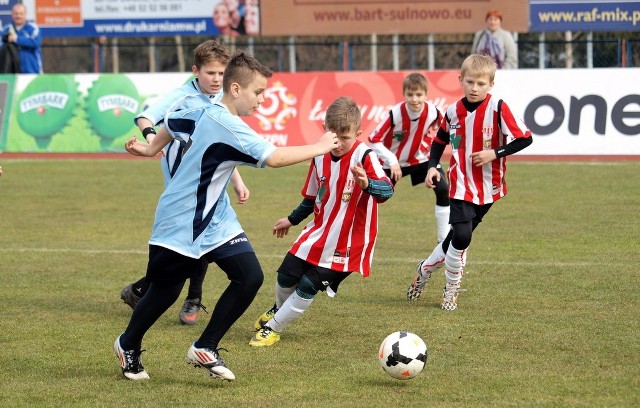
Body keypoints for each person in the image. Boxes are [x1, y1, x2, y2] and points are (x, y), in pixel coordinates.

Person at [114, 50, 339, 381]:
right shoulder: (228, 124)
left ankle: (206, 346)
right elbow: (274, 158)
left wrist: (149, 148)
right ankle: (127, 343)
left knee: (249, 276)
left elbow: (171, 122)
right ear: (236, 90)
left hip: (216, 218)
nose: (261, 101)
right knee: (165, 291)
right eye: (258, 92)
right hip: (181, 220)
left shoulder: (199, 107)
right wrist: (320, 146)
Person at [119, 39, 250, 326]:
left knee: (203, 243)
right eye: (211, 73)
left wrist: (237, 180)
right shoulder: (181, 98)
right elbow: (144, 117)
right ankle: (151, 292)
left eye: (221, 73)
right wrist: (153, 140)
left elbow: (221, 148)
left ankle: (183, 296)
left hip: (212, 187)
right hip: (183, 188)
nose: (217, 79)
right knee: (185, 248)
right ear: (196, 71)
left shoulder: (222, 100)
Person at [249, 96, 394, 347]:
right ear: (325, 131)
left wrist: (367, 184)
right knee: (285, 275)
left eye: (345, 138)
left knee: (308, 283)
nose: (338, 144)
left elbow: (387, 190)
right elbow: (311, 197)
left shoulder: (365, 156)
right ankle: (280, 310)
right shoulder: (319, 155)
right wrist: (291, 220)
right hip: (319, 232)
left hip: (350, 242)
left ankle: (272, 328)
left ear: (357, 133)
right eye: (333, 137)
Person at [407, 54, 532, 310]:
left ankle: (425, 268)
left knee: (455, 237)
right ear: (461, 80)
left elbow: (525, 138)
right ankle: (452, 288)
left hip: (490, 187)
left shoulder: (499, 108)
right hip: (461, 184)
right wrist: (432, 167)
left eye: (481, 84)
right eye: (471, 82)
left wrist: (494, 153)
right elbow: (439, 141)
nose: (475, 88)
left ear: (491, 85)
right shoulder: (453, 111)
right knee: (462, 237)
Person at [368, 72, 450, 243]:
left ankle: (443, 240)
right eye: (410, 94)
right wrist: (392, 160)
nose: (415, 99)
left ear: (426, 95)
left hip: (421, 159)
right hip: (394, 163)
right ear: (403, 94)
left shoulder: (433, 112)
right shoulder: (394, 114)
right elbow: (373, 139)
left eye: (419, 94)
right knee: (374, 197)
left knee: (443, 189)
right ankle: (357, 234)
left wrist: (426, 145)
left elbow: (443, 130)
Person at [0, 3, 42, 74]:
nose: (18, 16)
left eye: (21, 13)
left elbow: (36, 42)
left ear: (25, 15)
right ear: (12, 15)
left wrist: (16, 39)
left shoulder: (33, 28)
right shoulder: (5, 30)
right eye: (16, 13)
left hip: (31, 72)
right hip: (11, 74)